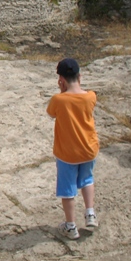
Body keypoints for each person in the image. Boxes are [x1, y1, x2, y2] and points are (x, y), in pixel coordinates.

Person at [45, 58, 99, 240]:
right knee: (87, 179)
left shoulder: (58, 100)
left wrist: (62, 91)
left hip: (67, 153)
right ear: (79, 76)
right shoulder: (91, 96)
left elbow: (51, 113)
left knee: (67, 190)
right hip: (89, 149)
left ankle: (70, 226)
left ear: (61, 79)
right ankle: (90, 213)